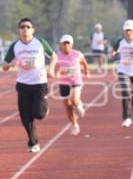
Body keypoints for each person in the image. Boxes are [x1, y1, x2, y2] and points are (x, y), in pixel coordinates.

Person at [2, 17, 57, 153]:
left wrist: (51, 69)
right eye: (22, 27)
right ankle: (34, 143)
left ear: (33, 30)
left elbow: (54, 55)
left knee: (38, 114)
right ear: (19, 30)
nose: (25, 29)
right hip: (23, 84)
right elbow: (4, 65)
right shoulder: (15, 46)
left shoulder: (40, 43)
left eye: (28, 27)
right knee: (25, 117)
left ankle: (44, 107)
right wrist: (10, 65)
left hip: (39, 83)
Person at [55, 34, 89, 135]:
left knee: (74, 100)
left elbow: (84, 63)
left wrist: (86, 72)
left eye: (68, 43)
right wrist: (55, 73)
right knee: (68, 105)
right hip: (64, 82)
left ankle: (79, 105)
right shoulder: (57, 56)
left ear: (72, 44)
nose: (66, 45)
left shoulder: (77, 54)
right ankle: (75, 125)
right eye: (64, 43)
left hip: (76, 81)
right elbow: (56, 67)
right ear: (61, 44)